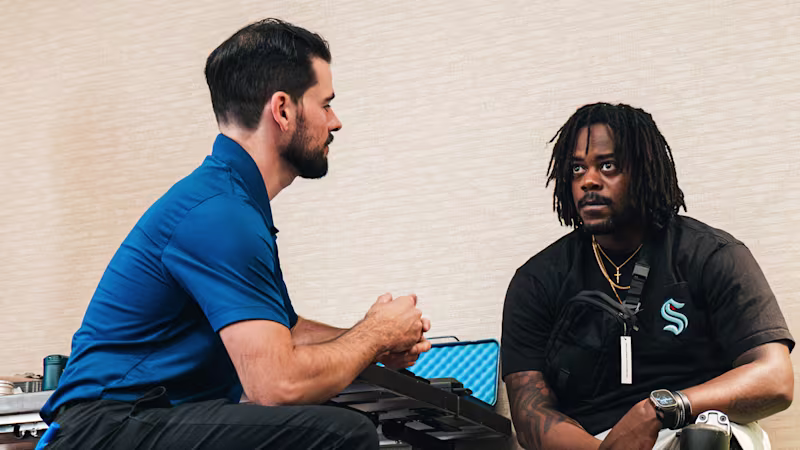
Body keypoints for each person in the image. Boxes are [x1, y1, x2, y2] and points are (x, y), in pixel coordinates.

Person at [38, 18, 431, 449]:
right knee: (341, 434)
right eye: (325, 104)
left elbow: (286, 334)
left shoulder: (231, 202)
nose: (335, 122)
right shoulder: (220, 214)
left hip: (130, 423)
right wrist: (374, 334)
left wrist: (376, 340)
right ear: (283, 110)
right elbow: (276, 383)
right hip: (106, 430)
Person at [501, 102, 794, 450]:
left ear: (643, 170)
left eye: (607, 166)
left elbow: (775, 379)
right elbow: (530, 415)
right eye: (577, 169)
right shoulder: (537, 280)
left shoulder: (710, 255)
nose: (588, 181)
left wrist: (659, 409)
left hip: (695, 427)